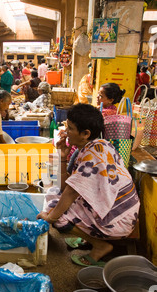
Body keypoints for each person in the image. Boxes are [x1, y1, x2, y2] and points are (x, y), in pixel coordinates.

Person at [37, 104, 140, 266]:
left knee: (58, 215)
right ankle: (91, 238)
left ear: (86, 134)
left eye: (70, 128)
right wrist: (62, 156)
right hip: (122, 208)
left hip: (119, 219)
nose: (65, 132)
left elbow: (69, 193)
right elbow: (65, 187)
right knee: (56, 194)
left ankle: (100, 246)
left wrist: (49, 217)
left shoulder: (92, 155)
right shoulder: (99, 144)